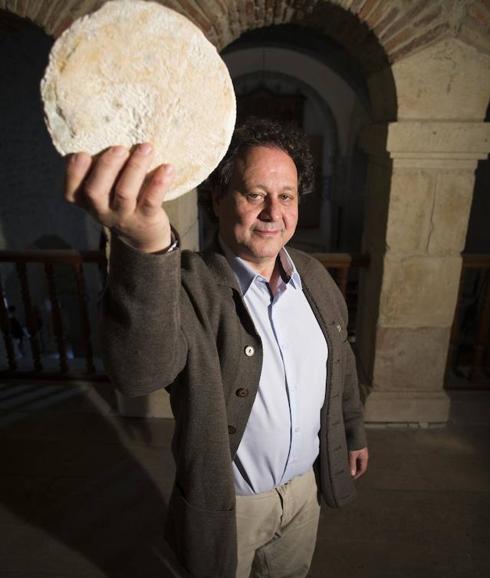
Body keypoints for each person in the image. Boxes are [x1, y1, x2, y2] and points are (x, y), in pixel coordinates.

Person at [64, 117, 368, 578]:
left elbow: (339, 363)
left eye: (285, 196)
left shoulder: (315, 278)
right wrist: (146, 248)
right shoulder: (186, 284)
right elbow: (139, 374)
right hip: (234, 506)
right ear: (218, 200)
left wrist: (353, 432)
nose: (273, 211)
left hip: (305, 491)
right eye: (254, 194)